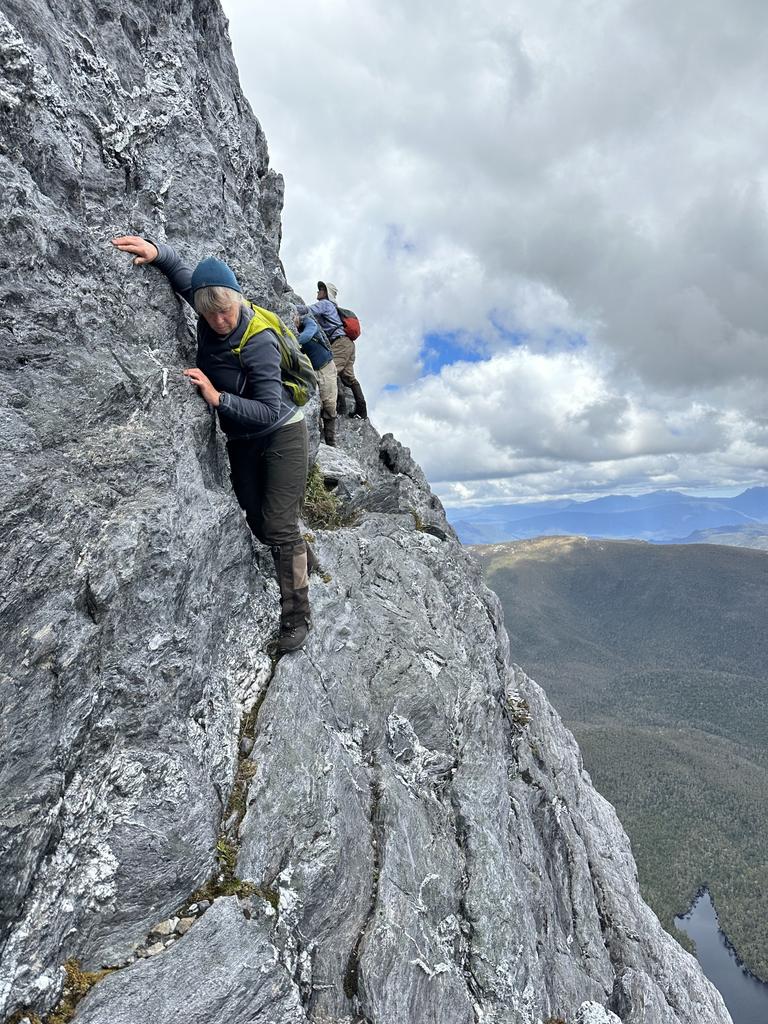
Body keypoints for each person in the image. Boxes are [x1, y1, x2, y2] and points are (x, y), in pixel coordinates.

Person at [111, 234, 312, 653]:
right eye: (210, 313)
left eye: (224, 311)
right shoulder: (206, 308)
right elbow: (186, 277)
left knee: (277, 525)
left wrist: (218, 399)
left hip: (282, 432)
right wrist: (156, 253)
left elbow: (268, 408)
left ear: (236, 299)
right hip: (242, 437)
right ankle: (297, 555)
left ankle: (297, 617)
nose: (219, 321)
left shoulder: (258, 341)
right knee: (256, 519)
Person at [297, 281, 367, 419]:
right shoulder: (332, 307)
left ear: (326, 292)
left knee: (330, 371)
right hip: (348, 344)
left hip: (340, 343)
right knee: (348, 377)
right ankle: (362, 410)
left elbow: (308, 310)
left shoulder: (325, 304)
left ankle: (339, 406)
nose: (318, 291)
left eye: (321, 289)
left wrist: (291, 307)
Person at [295, 312, 338, 445]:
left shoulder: (309, 323)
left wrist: (292, 341)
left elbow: (307, 336)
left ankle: (330, 441)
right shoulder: (295, 331)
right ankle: (319, 440)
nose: (292, 320)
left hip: (326, 368)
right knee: (316, 405)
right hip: (312, 371)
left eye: (294, 316)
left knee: (329, 404)